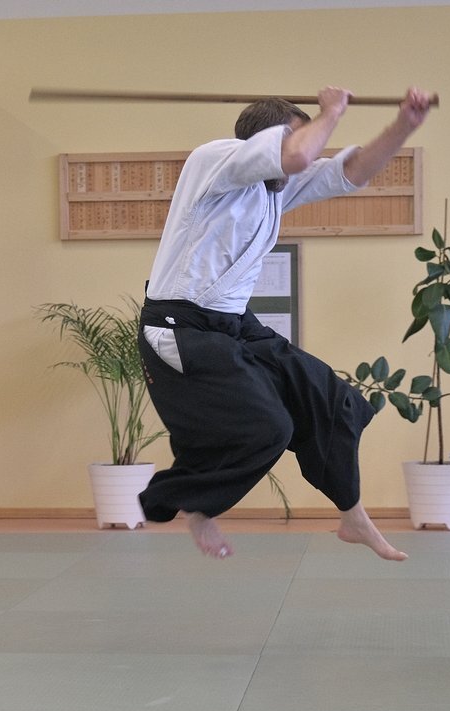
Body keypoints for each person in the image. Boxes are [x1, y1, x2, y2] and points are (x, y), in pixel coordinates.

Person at [137, 86, 433, 562]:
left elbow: (351, 172)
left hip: (234, 324)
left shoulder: (275, 185)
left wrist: (405, 125)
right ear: (267, 139)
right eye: (304, 135)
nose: (314, 142)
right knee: (266, 427)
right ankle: (195, 505)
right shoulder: (216, 159)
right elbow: (295, 154)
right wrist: (331, 111)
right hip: (180, 325)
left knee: (333, 400)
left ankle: (352, 513)